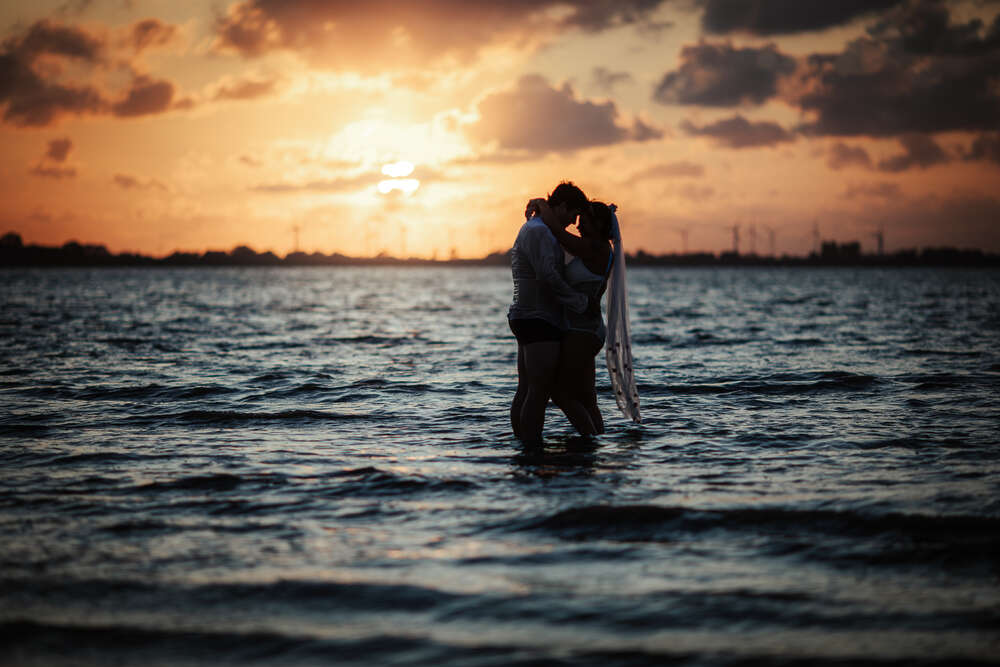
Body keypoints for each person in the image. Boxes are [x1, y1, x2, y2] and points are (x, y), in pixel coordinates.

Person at [527, 198, 642, 431]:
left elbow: (558, 232)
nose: (577, 226)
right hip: (586, 328)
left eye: (583, 221)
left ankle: (587, 439)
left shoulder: (595, 248)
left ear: (598, 226)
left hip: (583, 332)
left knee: (558, 391)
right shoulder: (595, 248)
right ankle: (593, 450)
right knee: (587, 398)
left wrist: (542, 205)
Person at [508, 181, 596, 444]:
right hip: (538, 318)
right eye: (573, 214)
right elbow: (548, 276)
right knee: (538, 390)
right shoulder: (540, 232)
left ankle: (523, 447)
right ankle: (531, 448)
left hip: (528, 315)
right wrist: (579, 301)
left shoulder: (539, 228)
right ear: (563, 206)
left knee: (527, 388)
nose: (572, 222)